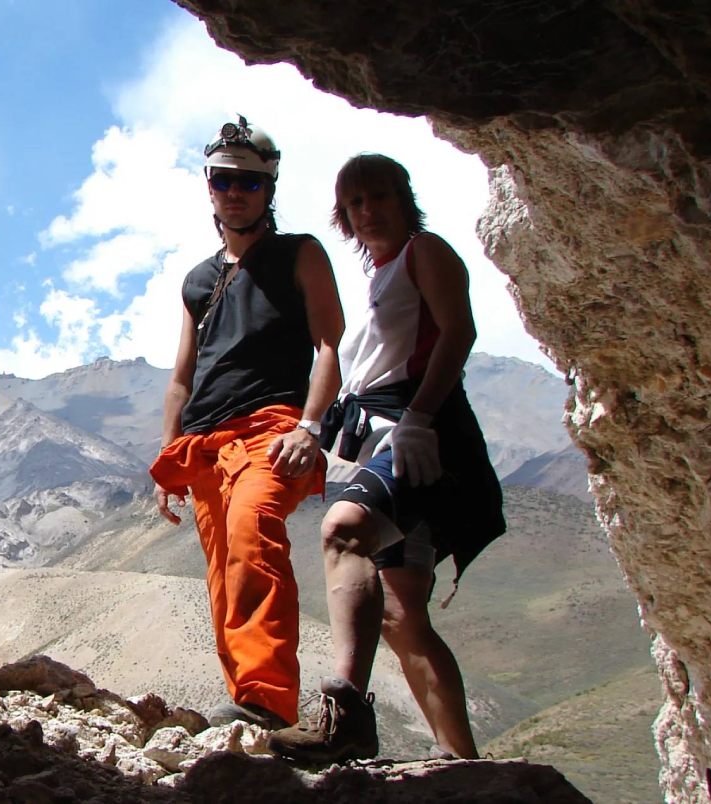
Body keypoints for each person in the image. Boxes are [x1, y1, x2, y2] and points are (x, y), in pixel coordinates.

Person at [268, 153, 506, 763]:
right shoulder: (380, 273)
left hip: (423, 427)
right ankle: (463, 759)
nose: (369, 212)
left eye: (380, 198)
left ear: (404, 200)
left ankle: (344, 717)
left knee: (345, 530)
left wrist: (423, 416)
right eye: (355, 204)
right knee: (401, 614)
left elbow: (459, 332)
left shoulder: (424, 252)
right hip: (393, 432)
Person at [149, 116, 345, 732]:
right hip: (204, 443)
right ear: (208, 186)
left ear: (270, 188)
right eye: (223, 180)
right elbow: (183, 377)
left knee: (252, 532)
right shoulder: (197, 281)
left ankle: (266, 698)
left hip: (275, 427)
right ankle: (248, 710)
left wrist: (310, 428)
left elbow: (331, 346)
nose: (236, 192)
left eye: (250, 183)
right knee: (222, 569)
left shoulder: (300, 254)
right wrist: (168, 457)